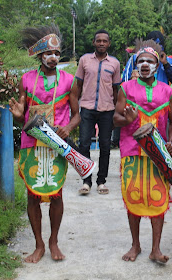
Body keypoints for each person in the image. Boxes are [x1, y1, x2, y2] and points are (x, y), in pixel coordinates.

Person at [9, 24, 80, 263]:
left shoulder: (69, 81)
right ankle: (39, 244)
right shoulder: (26, 80)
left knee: (57, 195)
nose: (53, 57)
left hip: (57, 144)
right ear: (40, 55)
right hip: (32, 144)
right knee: (33, 196)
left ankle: (53, 242)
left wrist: (68, 128)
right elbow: (21, 116)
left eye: (57, 54)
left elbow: (78, 113)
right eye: (49, 54)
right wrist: (19, 115)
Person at [113, 39, 172, 263]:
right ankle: (135, 245)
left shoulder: (168, 91)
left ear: (157, 66)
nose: (144, 65)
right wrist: (127, 119)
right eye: (140, 61)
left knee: (158, 197)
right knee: (134, 196)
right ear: (135, 64)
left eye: (149, 61)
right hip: (132, 150)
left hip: (158, 153)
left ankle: (156, 249)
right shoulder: (125, 88)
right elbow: (115, 118)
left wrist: (171, 142)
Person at [76, 29, 121, 195]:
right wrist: (75, 110)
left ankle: (101, 181)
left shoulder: (115, 63)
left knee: (105, 146)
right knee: (84, 145)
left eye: (104, 41)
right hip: (87, 108)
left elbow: (117, 90)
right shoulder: (84, 60)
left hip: (107, 110)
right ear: (94, 42)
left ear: (109, 43)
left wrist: (117, 112)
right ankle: (86, 181)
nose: (101, 43)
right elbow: (78, 86)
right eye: (98, 41)